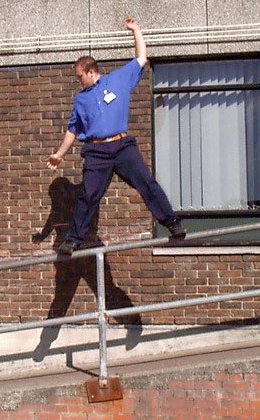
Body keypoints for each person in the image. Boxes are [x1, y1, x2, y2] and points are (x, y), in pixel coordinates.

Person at [46, 18, 186, 255]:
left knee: (146, 183)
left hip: (122, 146)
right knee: (89, 194)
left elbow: (141, 57)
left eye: (80, 76)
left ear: (91, 72)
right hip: (96, 152)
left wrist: (136, 31)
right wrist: (59, 154)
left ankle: (172, 223)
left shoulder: (118, 80)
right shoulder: (81, 100)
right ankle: (73, 239)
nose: (78, 81)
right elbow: (73, 130)